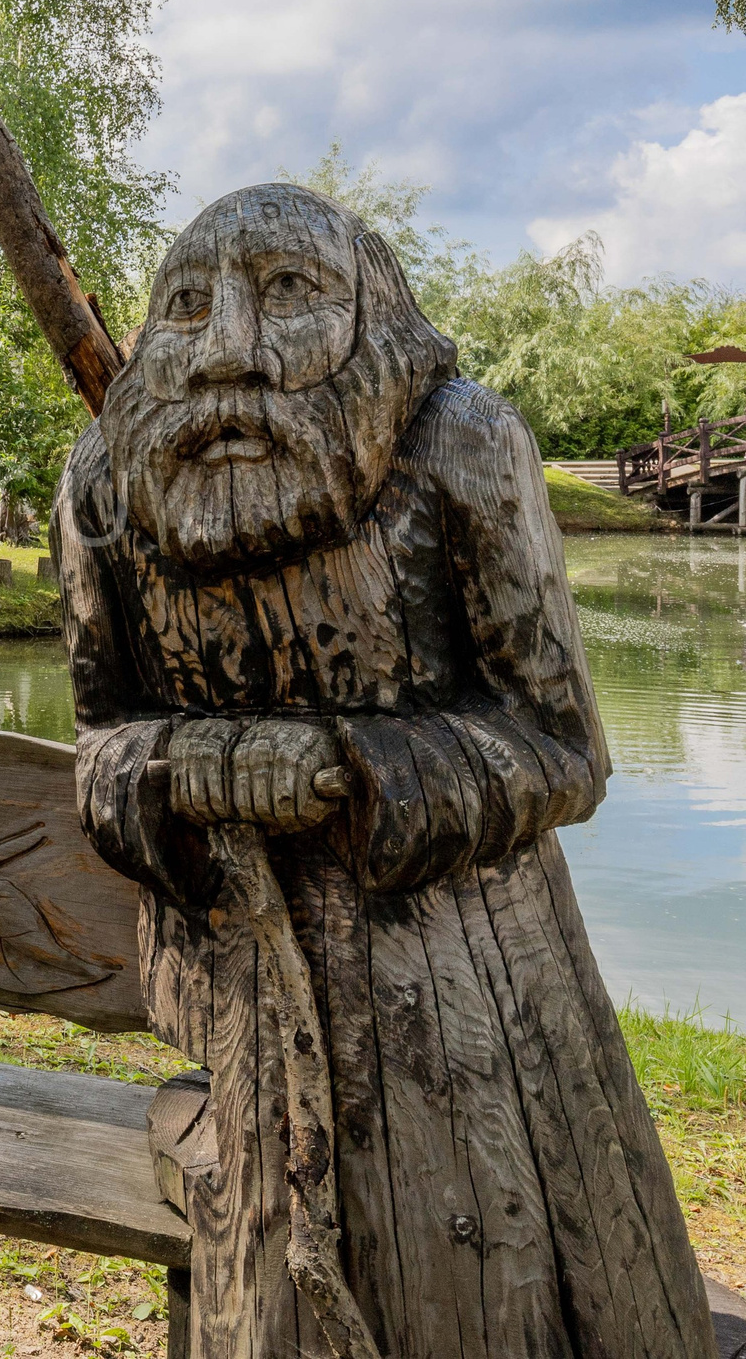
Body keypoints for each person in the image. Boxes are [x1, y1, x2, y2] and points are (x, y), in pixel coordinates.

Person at [56, 183, 711, 1357]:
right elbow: (96, 742)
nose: (226, 354)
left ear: (375, 319)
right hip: (231, 1009)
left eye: (289, 296)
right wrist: (171, 768)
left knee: (496, 1288)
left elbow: (561, 747)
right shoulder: (105, 481)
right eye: (189, 307)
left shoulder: (460, 438)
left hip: (470, 1014)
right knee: (252, 1290)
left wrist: (352, 765)